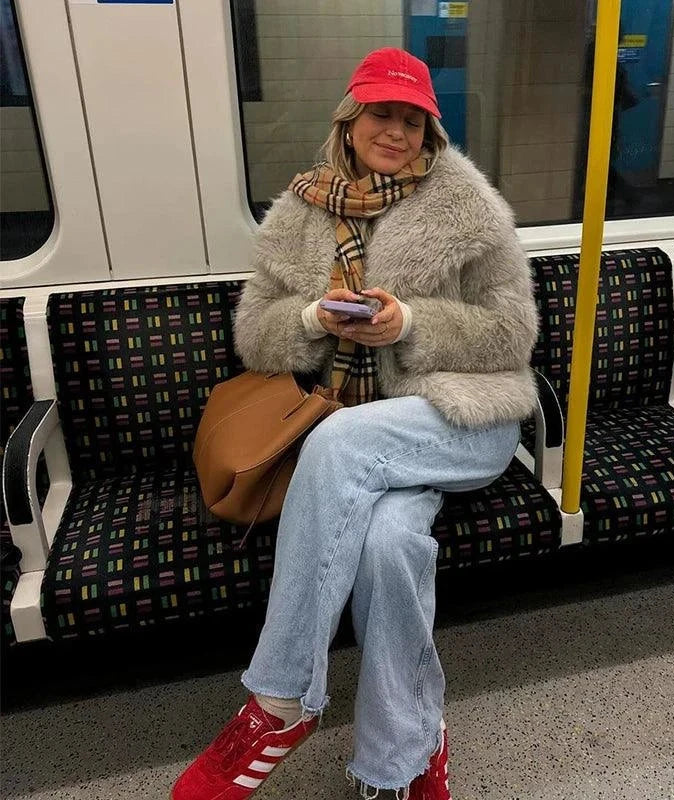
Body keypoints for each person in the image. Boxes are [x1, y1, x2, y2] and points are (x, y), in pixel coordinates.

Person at [172, 47, 539, 800]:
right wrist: (311, 317)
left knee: (338, 440)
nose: (396, 131)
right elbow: (255, 336)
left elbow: (514, 335)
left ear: (430, 131)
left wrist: (411, 323)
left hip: (459, 417)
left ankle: (277, 702)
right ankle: (400, 759)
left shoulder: (468, 208)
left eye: (412, 119)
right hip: (364, 435)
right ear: (350, 118)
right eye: (382, 113)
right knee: (387, 543)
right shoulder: (298, 213)